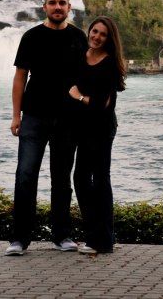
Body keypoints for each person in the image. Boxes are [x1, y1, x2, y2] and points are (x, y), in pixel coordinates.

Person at [6, 0, 88, 256]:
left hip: (68, 119)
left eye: (62, 2)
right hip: (33, 117)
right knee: (25, 176)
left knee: (61, 179)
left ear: (69, 7)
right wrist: (16, 115)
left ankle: (62, 235)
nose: (57, 6)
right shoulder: (31, 37)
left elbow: (87, 77)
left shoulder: (78, 37)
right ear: (44, 7)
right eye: (52, 2)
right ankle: (19, 239)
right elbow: (20, 77)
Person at [70, 16, 127, 254]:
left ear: (109, 38)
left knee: (100, 180)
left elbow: (104, 105)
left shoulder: (109, 64)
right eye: (95, 31)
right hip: (83, 127)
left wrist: (79, 97)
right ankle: (101, 236)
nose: (97, 37)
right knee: (82, 179)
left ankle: (100, 241)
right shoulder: (81, 56)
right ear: (89, 31)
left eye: (103, 34)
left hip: (102, 128)